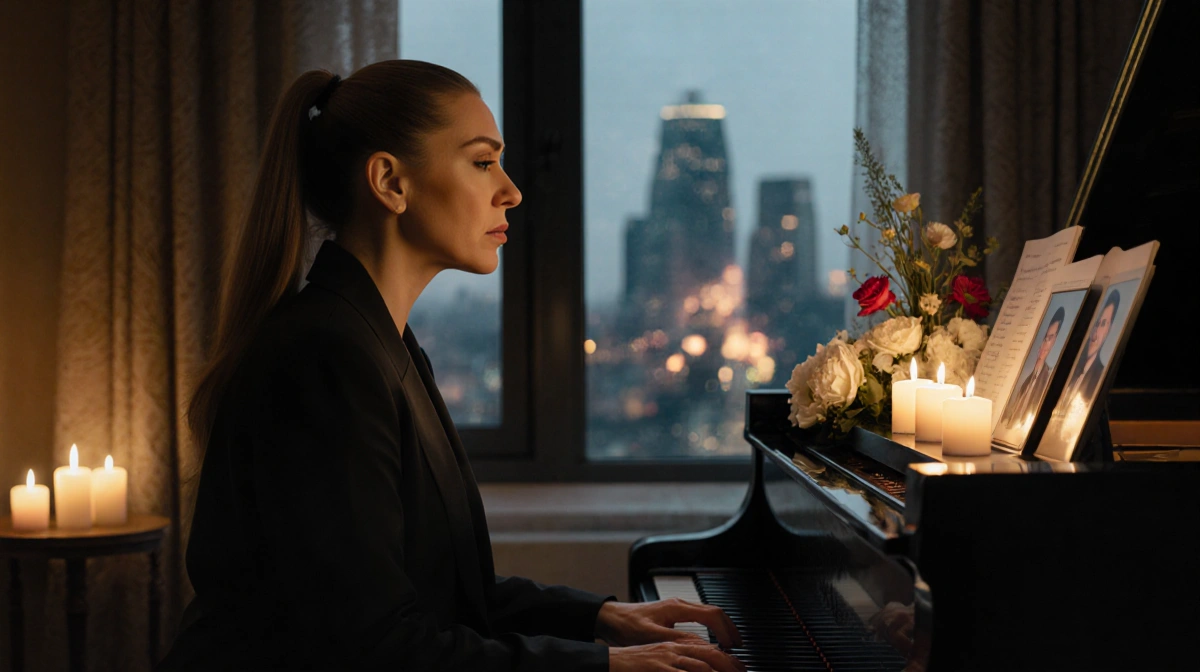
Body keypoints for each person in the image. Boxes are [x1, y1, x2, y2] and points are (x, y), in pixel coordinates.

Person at [157, 61, 744, 672]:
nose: (512, 190)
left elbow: (441, 591)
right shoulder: (325, 358)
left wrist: (601, 617)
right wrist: (606, 665)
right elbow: (377, 647)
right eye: (483, 161)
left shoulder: (381, 342)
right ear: (390, 181)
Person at [1001, 306, 1066, 430]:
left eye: (1050, 338)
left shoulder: (1047, 379)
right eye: (1044, 337)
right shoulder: (1026, 380)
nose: (1044, 344)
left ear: (1055, 341)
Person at [1061, 289, 1120, 408]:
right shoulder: (1069, 369)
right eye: (1096, 323)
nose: (1095, 332)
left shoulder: (1101, 377)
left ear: (1109, 329)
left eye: (1103, 324)